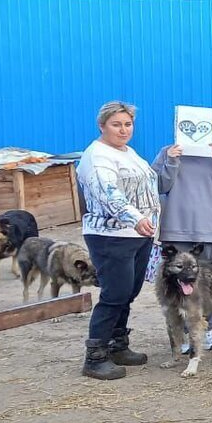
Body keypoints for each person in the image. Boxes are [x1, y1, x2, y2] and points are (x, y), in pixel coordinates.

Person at [77, 100, 161, 380]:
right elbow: (109, 194)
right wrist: (135, 218)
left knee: (128, 292)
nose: (123, 130)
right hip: (110, 235)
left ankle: (117, 344)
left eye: (127, 124)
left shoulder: (127, 152)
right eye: (116, 124)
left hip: (138, 235)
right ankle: (95, 356)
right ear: (102, 126)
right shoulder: (98, 156)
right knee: (114, 294)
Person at [152, 140, 212, 354]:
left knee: (207, 286)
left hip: (209, 229)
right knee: (175, 284)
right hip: (176, 228)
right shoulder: (167, 152)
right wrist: (171, 160)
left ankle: (206, 329)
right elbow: (158, 185)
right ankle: (180, 334)